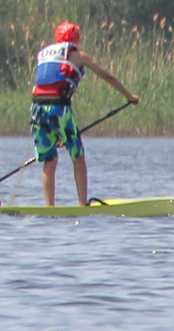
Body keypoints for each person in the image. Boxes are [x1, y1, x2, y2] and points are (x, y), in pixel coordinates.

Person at [30, 22, 138, 207]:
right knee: (77, 156)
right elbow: (108, 76)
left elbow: (48, 82)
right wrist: (129, 96)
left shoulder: (43, 54)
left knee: (49, 159)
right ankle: (82, 204)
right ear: (76, 38)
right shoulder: (77, 55)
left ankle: (50, 208)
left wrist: (57, 132)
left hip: (36, 110)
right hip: (59, 109)